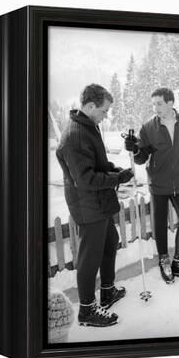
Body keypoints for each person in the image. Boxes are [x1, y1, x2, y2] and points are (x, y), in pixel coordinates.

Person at [56, 84, 134, 327]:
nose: (106, 115)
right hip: (88, 204)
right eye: (104, 110)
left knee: (110, 243)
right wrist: (117, 179)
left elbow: (95, 164)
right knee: (90, 257)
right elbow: (86, 179)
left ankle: (108, 291)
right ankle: (87, 311)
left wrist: (113, 169)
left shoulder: (88, 128)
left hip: (98, 202)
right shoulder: (75, 136)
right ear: (90, 106)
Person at [124, 87, 179, 284]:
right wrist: (134, 149)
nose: (155, 108)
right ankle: (164, 260)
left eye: (159, 103)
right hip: (159, 184)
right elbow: (141, 158)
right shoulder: (148, 128)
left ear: (170, 103)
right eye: (153, 104)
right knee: (159, 225)